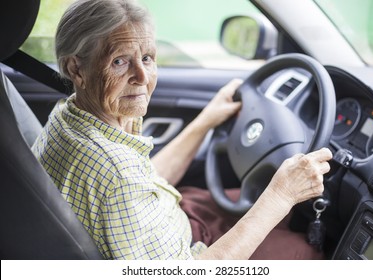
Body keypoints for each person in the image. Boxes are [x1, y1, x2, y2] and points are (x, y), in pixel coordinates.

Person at [32, 0, 332, 260]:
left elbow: (141, 181)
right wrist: (280, 195)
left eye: (147, 58)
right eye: (119, 61)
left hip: (172, 218)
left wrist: (204, 121)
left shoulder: (71, 114)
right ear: (76, 70)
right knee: (304, 246)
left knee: (269, 207)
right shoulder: (116, 175)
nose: (142, 76)